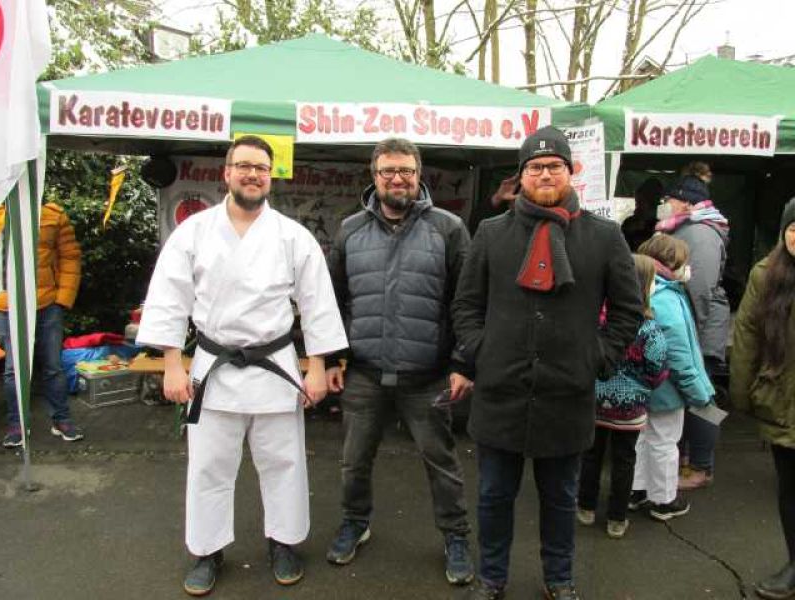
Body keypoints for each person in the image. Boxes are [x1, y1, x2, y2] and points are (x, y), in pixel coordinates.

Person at [136, 136, 347, 597]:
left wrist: (317, 367)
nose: (253, 174)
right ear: (227, 173)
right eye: (245, 166)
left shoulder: (293, 236)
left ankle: (284, 542)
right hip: (214, 366)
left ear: (270, 177)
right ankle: (207, 550)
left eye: (261, 168)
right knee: (209, 466)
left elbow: (317, 304)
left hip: (275, 365)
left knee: (284, 462)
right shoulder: (193, 232)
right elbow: (170, 298)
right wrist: (172, 364)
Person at [452, 125, 643, 600]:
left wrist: (598, 357)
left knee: (560, 500)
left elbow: (628, 309)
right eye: (535, 167)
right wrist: (481, 350)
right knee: (494, 497)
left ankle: (559, 579)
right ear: (520, 176)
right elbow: (466, 304)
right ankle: (491, 578)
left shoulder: (604, 236)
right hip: (500, 393)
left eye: (554, 166)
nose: (544, 174)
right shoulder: (492, 233)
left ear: (570, 171)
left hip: (567, 394)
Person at [325, 137, 475, 586]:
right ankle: (355, 522)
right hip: (364, 373)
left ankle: (456, 537)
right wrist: (332, 358)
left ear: (418, 175)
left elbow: (467, 302)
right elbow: (331, 301)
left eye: (406, 171)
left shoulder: (449, 229)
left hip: (428, 376)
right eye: (388, 171)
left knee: (441, 462)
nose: (397, 179)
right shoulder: (350, 230)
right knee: (354, 461)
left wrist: (463, 363)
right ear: (374, 176)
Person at [577, 254, 668, 540]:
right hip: (630, 407)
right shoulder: (649, 328)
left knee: (591, 454)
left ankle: (585, 507)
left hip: (594, 401)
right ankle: (617, 518)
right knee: (624, 459)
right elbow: (657, 368)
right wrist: (643, 386)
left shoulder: (596, 320)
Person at [730, 197, 795, 600]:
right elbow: (747, 335)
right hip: (781, 399)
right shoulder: (765, 275)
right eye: (793, 228)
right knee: (790, 491)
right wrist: (743, 392)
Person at [630, 234, 714, 522]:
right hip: (666, 389)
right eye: (684, 262)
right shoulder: (667, 298)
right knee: (665, 443)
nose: (688, 267)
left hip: (641, 386)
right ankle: (664, 500)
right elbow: (679, 355)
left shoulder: (643, 288)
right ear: (670, 262)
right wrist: (699, 392)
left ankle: (636, 490)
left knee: (642, 438)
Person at [655, 175, 729, 490]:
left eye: (669, 199)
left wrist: (690, 336)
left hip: (701, 331)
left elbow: (699, 289)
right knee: (691, 397)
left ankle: (701, 466)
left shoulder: (701, 233)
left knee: (702, 399)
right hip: (692, 327)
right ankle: (688, 461)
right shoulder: (686, 228)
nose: (664, 205)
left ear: (685, 202)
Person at [0, 201, 83, 447]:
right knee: (14, 370)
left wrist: (63, 298)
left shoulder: (52, 215)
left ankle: (61, 419)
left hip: (46, 303)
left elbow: (70, 257)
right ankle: (17, 424)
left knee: (52, 366)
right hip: (6, 306)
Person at [621, 177, 663, 252]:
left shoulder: (662, 224)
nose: (637, 206)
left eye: (640, 202)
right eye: (637, 202)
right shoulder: (629, 223)